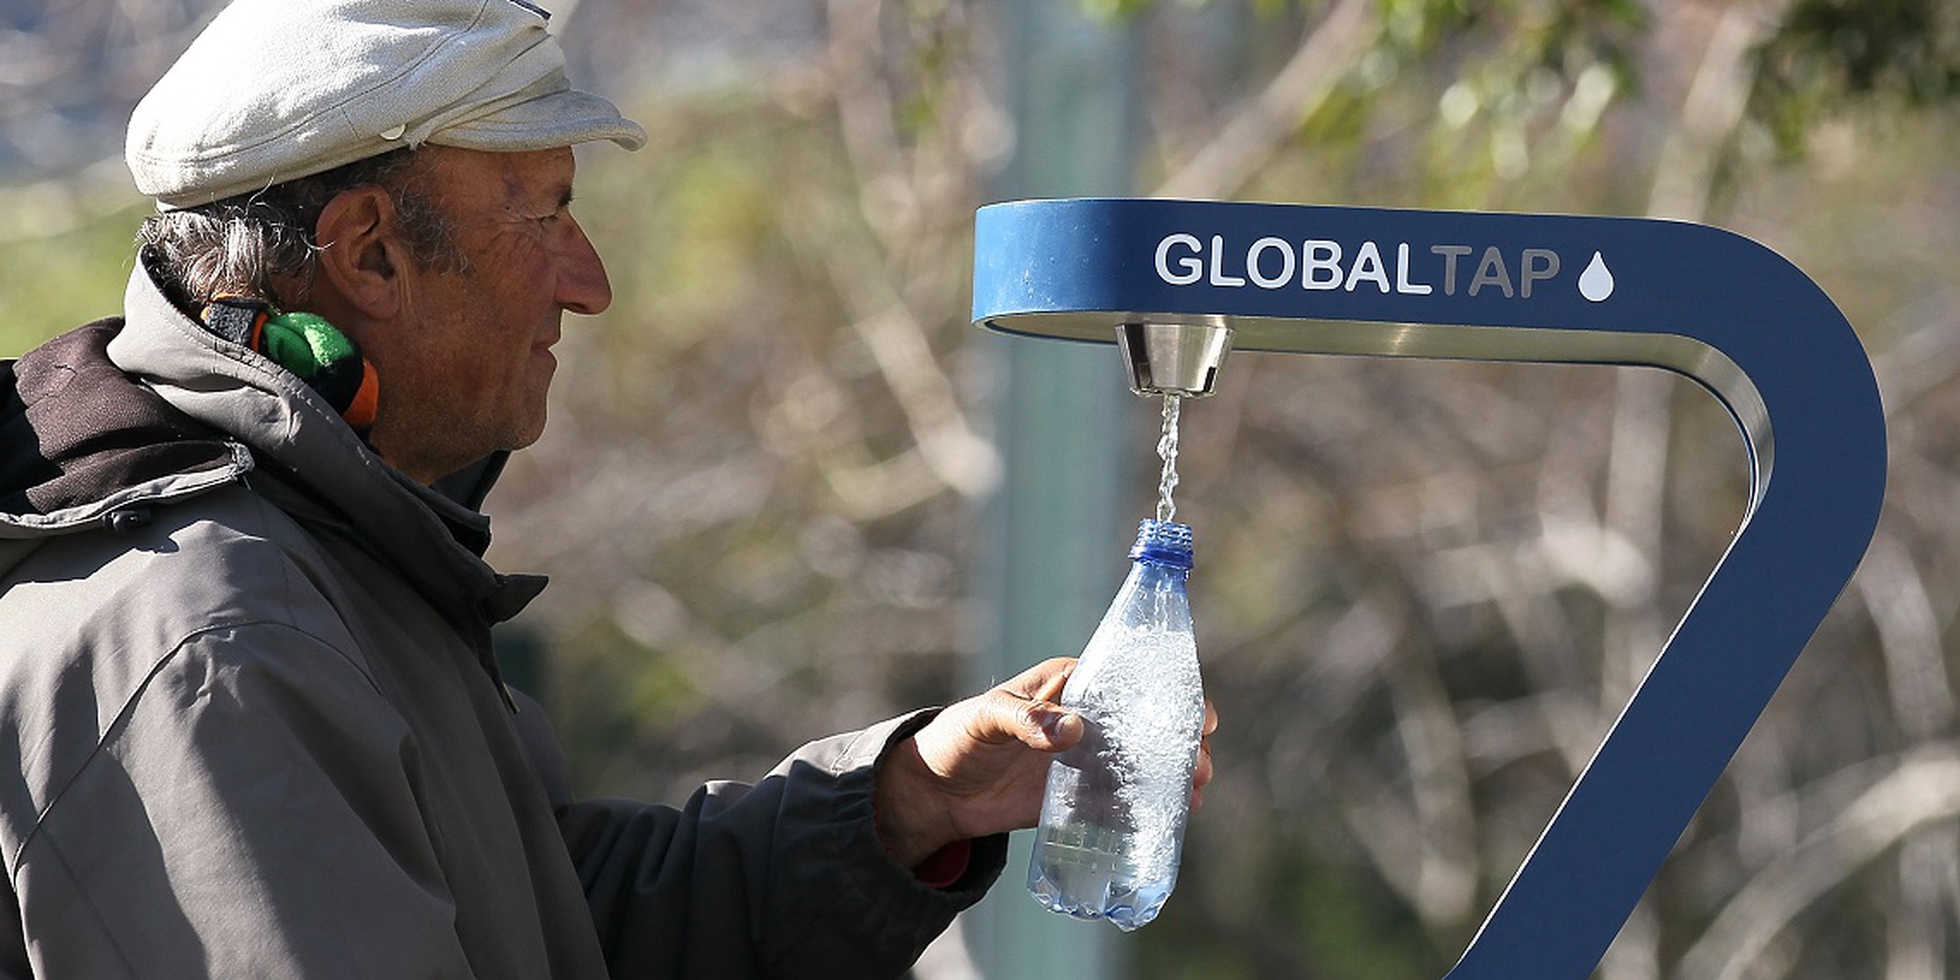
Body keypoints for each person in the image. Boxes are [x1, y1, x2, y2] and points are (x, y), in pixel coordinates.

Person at [0, 0, 1214, 977]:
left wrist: (900, 803)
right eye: (548, 216)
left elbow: (553, 921)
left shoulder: (318, 554)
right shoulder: (224, 639)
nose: (588, 284)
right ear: (369, 251)